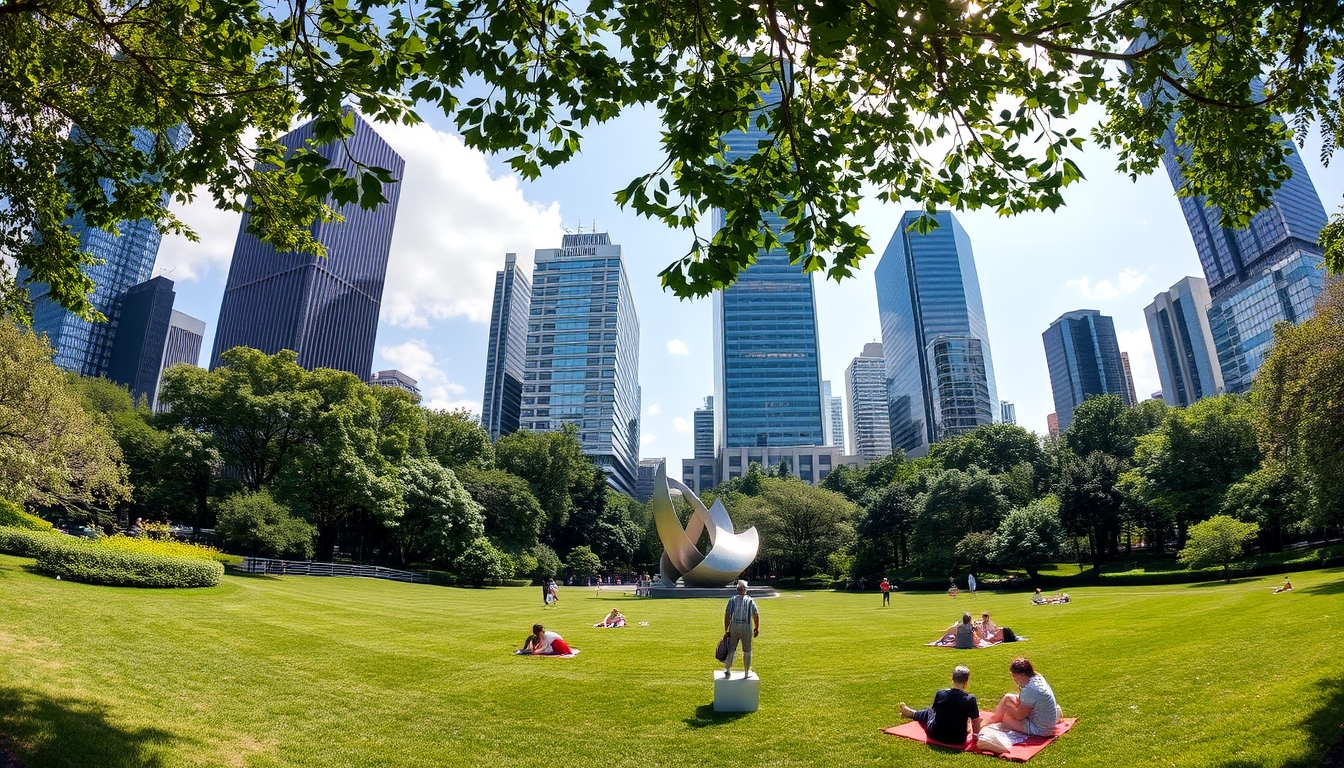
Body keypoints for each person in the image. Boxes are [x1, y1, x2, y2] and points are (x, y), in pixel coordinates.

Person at [898, 665, 983, 746]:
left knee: (929, 712)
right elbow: (975, 722)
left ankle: (912, 713)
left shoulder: (941, 693)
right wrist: (975, 738)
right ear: (966, 682)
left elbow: (937, 712)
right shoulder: (970, 699)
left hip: (935, 734)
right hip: (957, 740)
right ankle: (912, 713)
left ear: (952, 679)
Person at [984, 658, 1061, 737]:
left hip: (1041, 730)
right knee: (1008, 697)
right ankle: (994, 719)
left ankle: (993, 720)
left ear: (1023, 674)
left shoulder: (1030, 689)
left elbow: (1019, 716)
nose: (1014, 679)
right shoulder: (1038, 678)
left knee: (1004, 717)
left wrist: (1011, 711)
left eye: (1015, 676)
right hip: (1046, 721)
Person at [722, 579, 760, 679]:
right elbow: (755, 615)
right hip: (746, 625)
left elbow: (728, 615)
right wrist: (756, 627)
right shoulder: (750, 600)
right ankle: (746, 672)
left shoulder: (732, 600)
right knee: (747, 650)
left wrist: (727, 629)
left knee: (731, 648)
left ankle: (727, 670)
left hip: (735, 625)